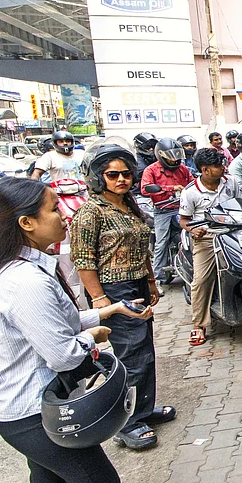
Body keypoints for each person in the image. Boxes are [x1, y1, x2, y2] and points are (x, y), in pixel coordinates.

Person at [0, 177, 209, 483]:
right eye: (52, 210)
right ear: (26, 223)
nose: (63, 215)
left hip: (22, 414)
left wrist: (110, 311)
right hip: (35, 415)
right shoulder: (25, 281)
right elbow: (62, 353)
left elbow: (55, 324)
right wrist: (92, 340)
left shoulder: (23, 271)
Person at [71, 141, 176, 451]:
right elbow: (83, 260)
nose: (121, 180)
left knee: (145, 350)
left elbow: (142, 248)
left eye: (126, 174)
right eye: (112, 174)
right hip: (114, 292)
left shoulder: (129, 205)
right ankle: (126, 423)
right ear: (96, 177)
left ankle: (142, 409)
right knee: (131, 355)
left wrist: (152, 282)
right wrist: (100, 299)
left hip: (137, 285)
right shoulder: (91, 211)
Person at [179, 148, 242, 346]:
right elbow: (183, 220)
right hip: (208, 238)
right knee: (201, 280)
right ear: (205, 169)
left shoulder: (231, 182)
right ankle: (199, 325)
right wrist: (193, 231)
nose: (223, 168)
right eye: (218, 166)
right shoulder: (191, 192)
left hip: (235, 232)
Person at [140, 138, 193, 286]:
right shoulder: (151, 170)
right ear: (161, 155)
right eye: (171, 156)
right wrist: (170, 188)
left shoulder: (183, 169)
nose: (175, 159)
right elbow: (145, 188)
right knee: (161, 242)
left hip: (183, 209)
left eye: (177, 155)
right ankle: (158, 278)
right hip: (163, 210)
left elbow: (193, 183)